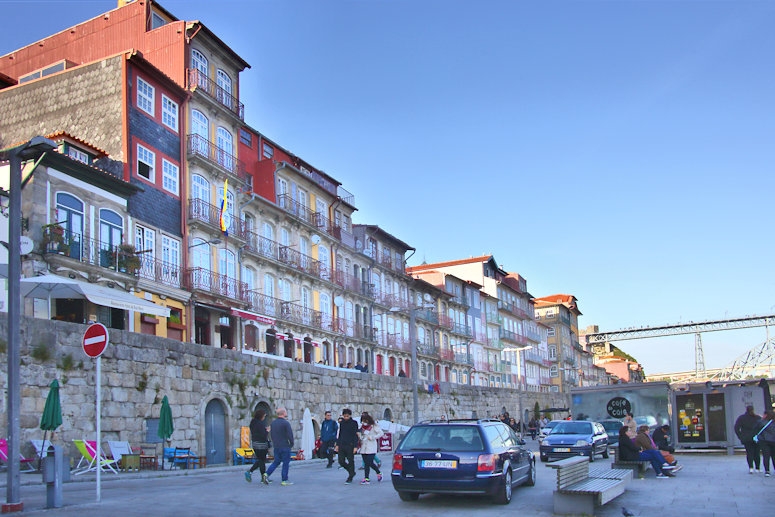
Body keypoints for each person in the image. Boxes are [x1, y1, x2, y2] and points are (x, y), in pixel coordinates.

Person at [264, 407, 294, 486]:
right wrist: (291, 444)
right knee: (285, 463)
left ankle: (266, 474)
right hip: (285, 446)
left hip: (276, 446)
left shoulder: (273, 423)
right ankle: (284, 480)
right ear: (283, 413)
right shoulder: (286, 423)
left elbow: (272, 435)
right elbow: (290, 435)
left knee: (276, 462)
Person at [244, 408, 270, 484]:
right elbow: (263, 435)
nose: (264, 418)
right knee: (262, 460)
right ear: (261, 416)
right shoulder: (260, 424)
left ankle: (262, 477)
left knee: (260, 460)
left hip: (255, 444)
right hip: (262, 445)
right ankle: (253, 472)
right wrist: (267, 431)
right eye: (264, 416)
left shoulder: (253, 423)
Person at [734, 405, 762, 473]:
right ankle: (757, 468)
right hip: (756, 437)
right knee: (757, 453)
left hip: (746, 438)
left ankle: (751, 468)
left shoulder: (741, 418)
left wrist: (740, 436)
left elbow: (736, 428)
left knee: (749, 453)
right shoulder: (757, 417)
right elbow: (761, 427)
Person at [357, 413, 384, 484]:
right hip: (363, 446)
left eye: (365, 420)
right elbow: (359, 434)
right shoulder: (361, 426)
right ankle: (366, 478)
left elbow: (381, 433)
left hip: (371, 446)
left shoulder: (373, 426)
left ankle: (378, 472)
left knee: (369, 462)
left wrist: (372, 437)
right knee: (366, 463)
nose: (364, 422)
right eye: (363, 420)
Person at [336, 408, 359, 484]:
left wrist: (355, 446)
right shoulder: (342, 423)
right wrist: (337, 444)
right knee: (341, 461)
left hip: (350, 445)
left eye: (347, 416)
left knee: (350, 460)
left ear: (350, 416)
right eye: (344, 416)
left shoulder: (354, 423)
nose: (346, 417)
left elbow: (355, 435)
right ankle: (351, 471)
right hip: (342, 444)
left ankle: (350, 476)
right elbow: (340, 434)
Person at [755, 410, 775, 477]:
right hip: (773, 441)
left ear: (766, 415)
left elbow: (755, 429)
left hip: (764, 441)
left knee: (766, 456)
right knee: (774, 456)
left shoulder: (760, 422)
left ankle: (767, 471)